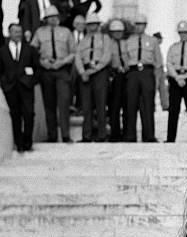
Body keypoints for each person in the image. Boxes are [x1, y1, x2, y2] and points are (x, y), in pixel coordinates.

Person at [30, 5, 76, 143]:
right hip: (46, 71)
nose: (52, 20)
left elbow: (73, 52)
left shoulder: (66, 32)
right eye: (50, 18)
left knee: (64, 103)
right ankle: (52, 136)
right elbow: (32, 52)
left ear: (58, 18)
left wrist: (61, 62)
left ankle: (66, 135)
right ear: (45, 19)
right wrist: (42, 61)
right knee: (49, 105)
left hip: (62, 70)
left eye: (55, 17)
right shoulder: (39, 32)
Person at [0, 23, 38, 152]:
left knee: (29, 114)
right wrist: (4, 83)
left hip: (26, 87)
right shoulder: (2, 51)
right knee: (15, 116)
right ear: (9, 33)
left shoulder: (30, 49)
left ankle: (28, 142)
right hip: (10, 88)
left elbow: (37, 68)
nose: (18, 34)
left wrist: (31, 81)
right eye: (15, 32)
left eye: (19, 31)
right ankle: (19, 144)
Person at [124, 13, 162, 142]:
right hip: (133, 72)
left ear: (145, 25)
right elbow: (125, 59)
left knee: (148, 105)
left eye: (141, 24)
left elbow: (158, 62)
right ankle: (130, 135)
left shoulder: (152, 41)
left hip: (147, 72)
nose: (139, 27)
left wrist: (157, 80)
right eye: (137, 24)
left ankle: (149, 136)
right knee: (131, 104)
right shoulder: (128, 41)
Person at [74, 12, 110, 142]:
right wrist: (82, 71)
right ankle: (86, 135)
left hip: (99, 72)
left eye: (94, 24)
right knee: (87, 106)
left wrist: (96, 69)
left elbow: (107, 56)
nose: (92, 27)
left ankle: (102, 135)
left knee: (101, 104)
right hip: (86, 73)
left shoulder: (105, 38)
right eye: (89, 24)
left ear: (98, 25)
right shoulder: (83, 41)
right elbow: (77, 57)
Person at [108, 18, 128, 142]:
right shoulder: (108, 44)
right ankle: (114, 133)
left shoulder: (126, 43)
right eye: (115, 32)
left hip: (126, 75)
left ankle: (126, 132)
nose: (117, 34)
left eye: (120, 31)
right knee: (114, 106)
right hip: (114, 76)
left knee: (127, 106)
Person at [153, 32, 169, 111]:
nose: (161, 40)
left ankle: (165, 105)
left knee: (163, 88)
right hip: (155, 69)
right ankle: (152, 105)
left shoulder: (158, 47)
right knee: (154, 88)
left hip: (161, 69)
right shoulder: (153, 47)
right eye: (160, 38)